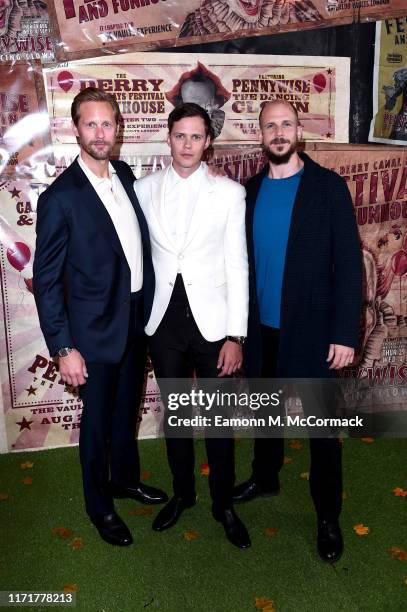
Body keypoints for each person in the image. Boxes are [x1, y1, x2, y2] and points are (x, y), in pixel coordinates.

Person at [33, 87, 168, 547]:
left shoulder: (126, 175)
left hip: (134, 319)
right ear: (75, 130)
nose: (99, 133)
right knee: (96, 420)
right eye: (90, 124)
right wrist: (64, 346)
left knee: (126, 409)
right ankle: (99, 505)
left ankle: (125, 480)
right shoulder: (61, 197)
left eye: (106, 123)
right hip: (91, 333)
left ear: (118, 128)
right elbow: (47, 281)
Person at [234, 100, 362, 562]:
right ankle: (265, 477)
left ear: (300, 132)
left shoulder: (328, 188)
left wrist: (345, 334)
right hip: (261, 331)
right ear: (260, 135)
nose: (279, 132)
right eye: (271, 125)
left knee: (323, 432)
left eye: (286, 123)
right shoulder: (247, 191)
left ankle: (327, 516)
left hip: (312, 331)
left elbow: (349, 267)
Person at [134, 102, 251, 549]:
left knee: (218, 419)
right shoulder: (143, 189)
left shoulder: (230, 194)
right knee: (178, 417)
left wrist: (235, 335)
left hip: (214, 324)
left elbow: (237, 267)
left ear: (208, 141)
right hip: (162, 322)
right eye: (179, 135)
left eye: (195, 136)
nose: (187, 144)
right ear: (168, 138)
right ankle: (183, 493)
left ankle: (224, 503)